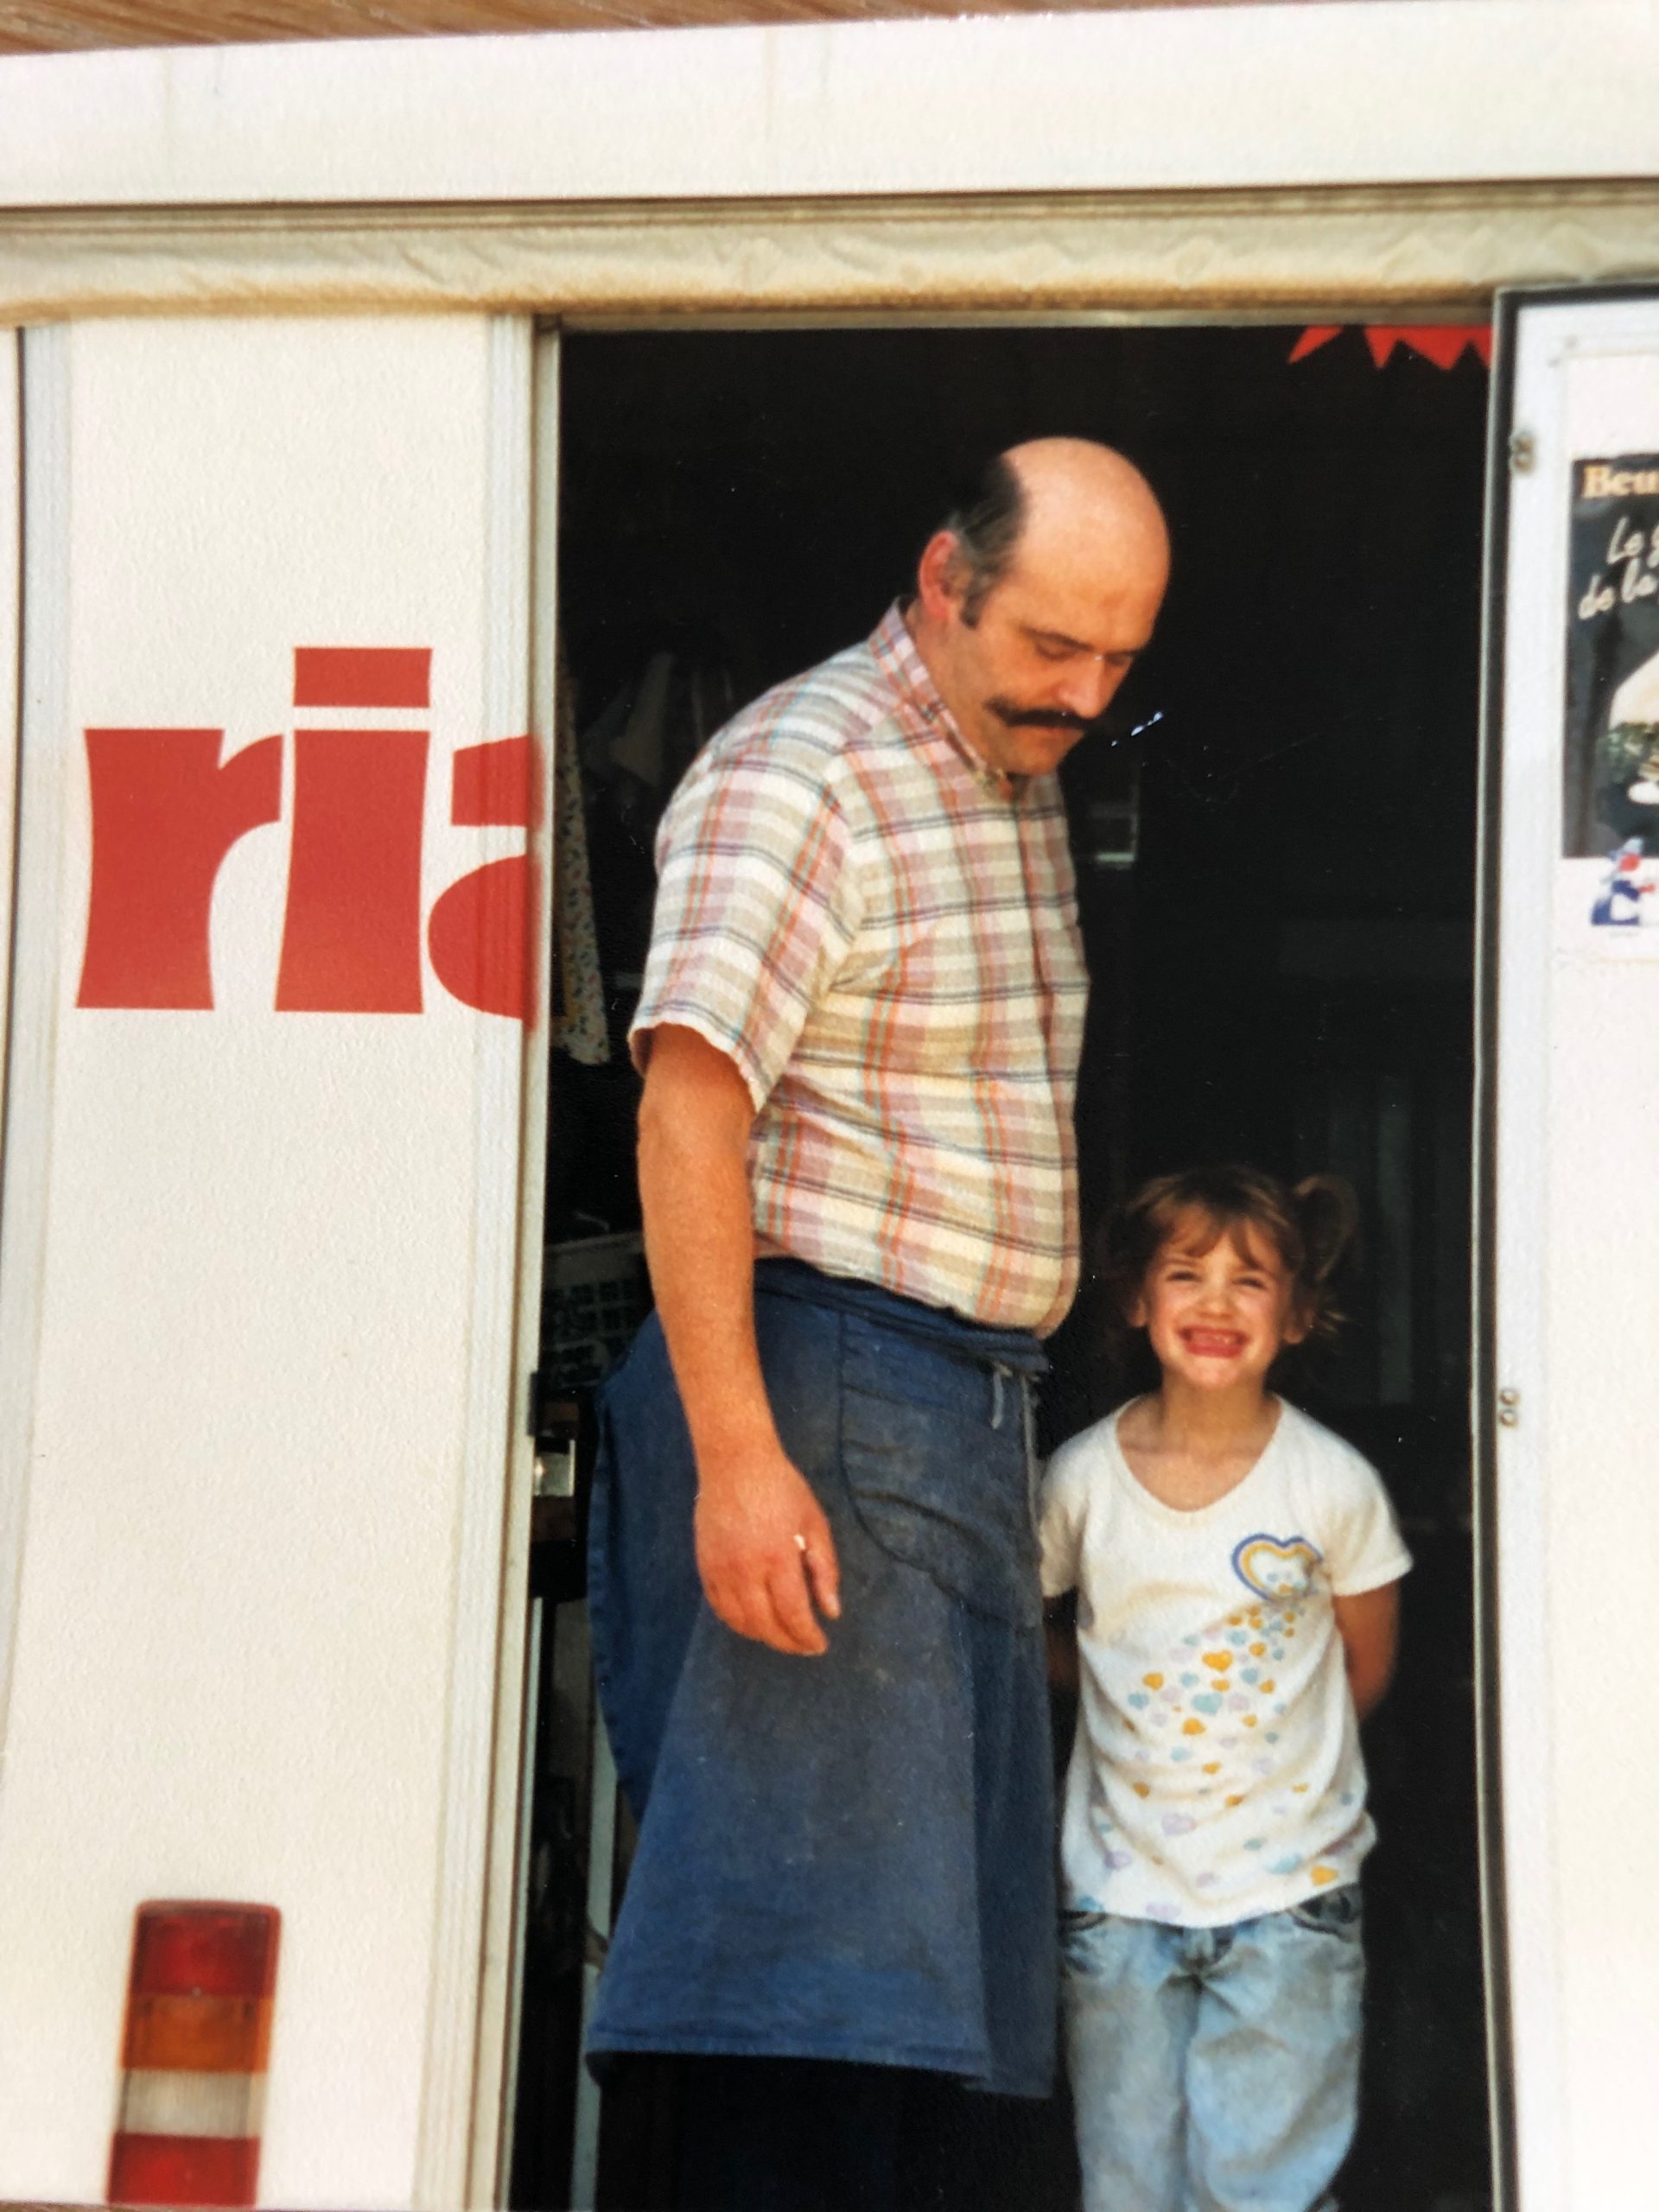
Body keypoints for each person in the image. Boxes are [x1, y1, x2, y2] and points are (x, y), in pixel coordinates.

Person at [584, 439, 1171, 2208]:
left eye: (1120, 660)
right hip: (825, 1385)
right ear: (941, 581)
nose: (1082, 693)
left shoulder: (1001, 762)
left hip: (944, 1412)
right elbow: (692, 1105)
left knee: (902, 2013)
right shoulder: (808, 770)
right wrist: (746, 1453)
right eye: (1052, 645)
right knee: (811, 2010)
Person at [1039, 1163, 1411, 2212]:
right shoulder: (1080, 1481)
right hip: (1120, 1898)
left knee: (1265, 2185)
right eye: (1184, 1273)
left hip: (1288, 1897)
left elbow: (1362, 1670)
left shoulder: (1330, 1483)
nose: (1213, 1302)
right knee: (1127, 2181)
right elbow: (1031, 1631)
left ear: (1295, 1313)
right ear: (1134, 1298)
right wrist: (1107, 1678)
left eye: (1248, 1281)